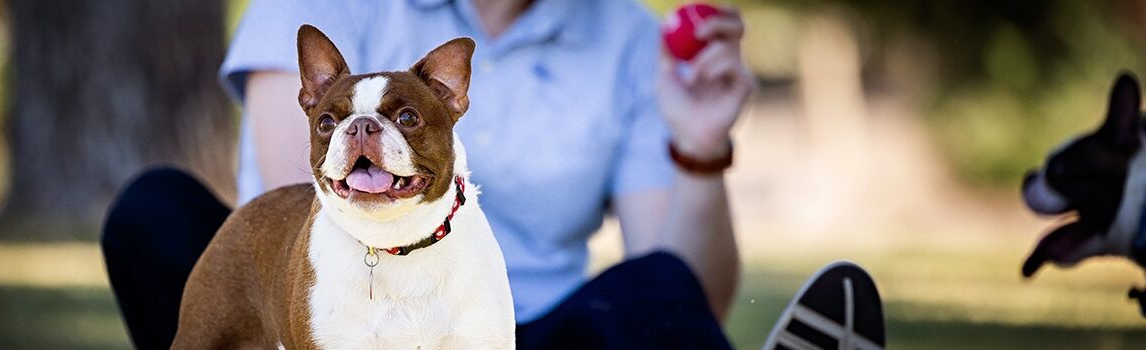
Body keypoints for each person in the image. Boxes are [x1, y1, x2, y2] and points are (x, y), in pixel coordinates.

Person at [102, 0, 755, 348]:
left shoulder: (629, 36)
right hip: (325, 311)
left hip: (525, 330)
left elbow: (691, 292)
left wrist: (701, 144)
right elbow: (304, 204)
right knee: (154, 212)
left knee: (661, 290)